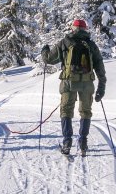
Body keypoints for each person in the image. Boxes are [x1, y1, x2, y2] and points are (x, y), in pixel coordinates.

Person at [41, 19, 107, 155]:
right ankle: (83, 142)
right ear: (85, 29)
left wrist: (45, 50)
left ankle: (67, 141)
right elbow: (100, 67)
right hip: (87, 83)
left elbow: (48, 59)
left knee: (66, 111)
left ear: (73, 28)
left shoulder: (64, 42)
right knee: (85, 112)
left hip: (68, 82)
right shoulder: (91, 45)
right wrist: (101, 87)